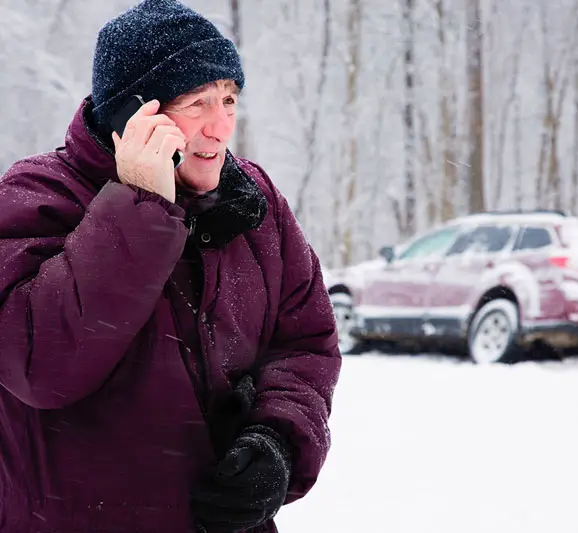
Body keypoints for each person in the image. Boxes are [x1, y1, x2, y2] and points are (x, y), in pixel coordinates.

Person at [0, 0, 341, 531]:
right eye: (196, 103)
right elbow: (40, 367)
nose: (219, 127)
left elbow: (305, 341)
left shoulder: (255, 202)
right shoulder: (37, 198)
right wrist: (140, 204)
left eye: (228, 99)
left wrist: (278, 440)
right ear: (131, 115)